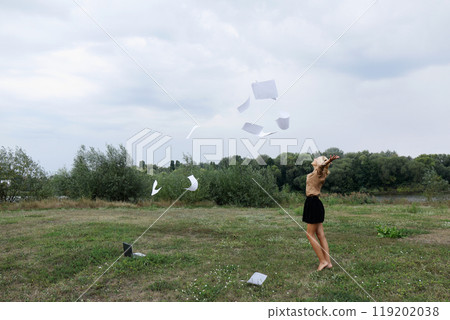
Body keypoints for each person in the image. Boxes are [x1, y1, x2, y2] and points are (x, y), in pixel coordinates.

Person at [303, 154, 340, 271]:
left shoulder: (320, 172)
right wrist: (327, 162)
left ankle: (323, 261)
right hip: (315, 203)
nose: (314, 158)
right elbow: (320, 167)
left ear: (319, 162)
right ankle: (328, 262)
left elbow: (321, 167)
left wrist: (328, 161)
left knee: (309, 235)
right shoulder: (318, 173)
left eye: (317, 158)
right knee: (320, 235)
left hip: (313, 203)